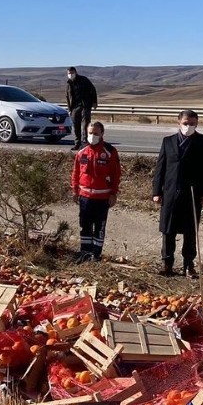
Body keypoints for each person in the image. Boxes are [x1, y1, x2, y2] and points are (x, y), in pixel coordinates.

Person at [151, 110, 203, 278]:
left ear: (197, 123)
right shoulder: (168, 142)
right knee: (168, 230)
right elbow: (160, 168)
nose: (189, 126)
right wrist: (156, 192)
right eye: (186, 123)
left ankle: (189, 265)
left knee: (190, 231)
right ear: (178, 123)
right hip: (171, 193)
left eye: (192, 123)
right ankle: (167, 264)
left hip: (192, 193)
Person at [71, 121, 121, 262]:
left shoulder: (110, 151)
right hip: (85, 196)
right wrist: (75, 190)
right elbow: (75, 172)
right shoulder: (82, 152)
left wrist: (113, 193)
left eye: (96, 133)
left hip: (102, 197)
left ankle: (96, 254)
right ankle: (85, 252)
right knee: (84, 225)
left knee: (99, 227)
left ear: (102, 134)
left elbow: (116, 174)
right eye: (90, 133)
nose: (93, 136)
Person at [66, 67, 98, 150]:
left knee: (85, 124)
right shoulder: (69, 83)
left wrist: (94, 101)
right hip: (75, 107)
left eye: (72, 73)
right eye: (69, 73)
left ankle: (85, 143)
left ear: (75, 72)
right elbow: (67, 97)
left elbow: (92, 89)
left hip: (85, 105)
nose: (70, 74)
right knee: (75, 125)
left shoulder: (84, 80)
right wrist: (70, 109)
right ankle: (77, 143)